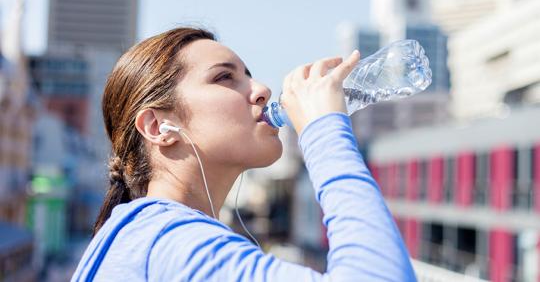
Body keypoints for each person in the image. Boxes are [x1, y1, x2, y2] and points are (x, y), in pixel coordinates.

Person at [71, 27, 417, 281]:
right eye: (224, 78)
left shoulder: (144, 238)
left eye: (249, 76)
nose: (263, 89)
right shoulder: (171, 243)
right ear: (158, 127)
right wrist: (325, 129)